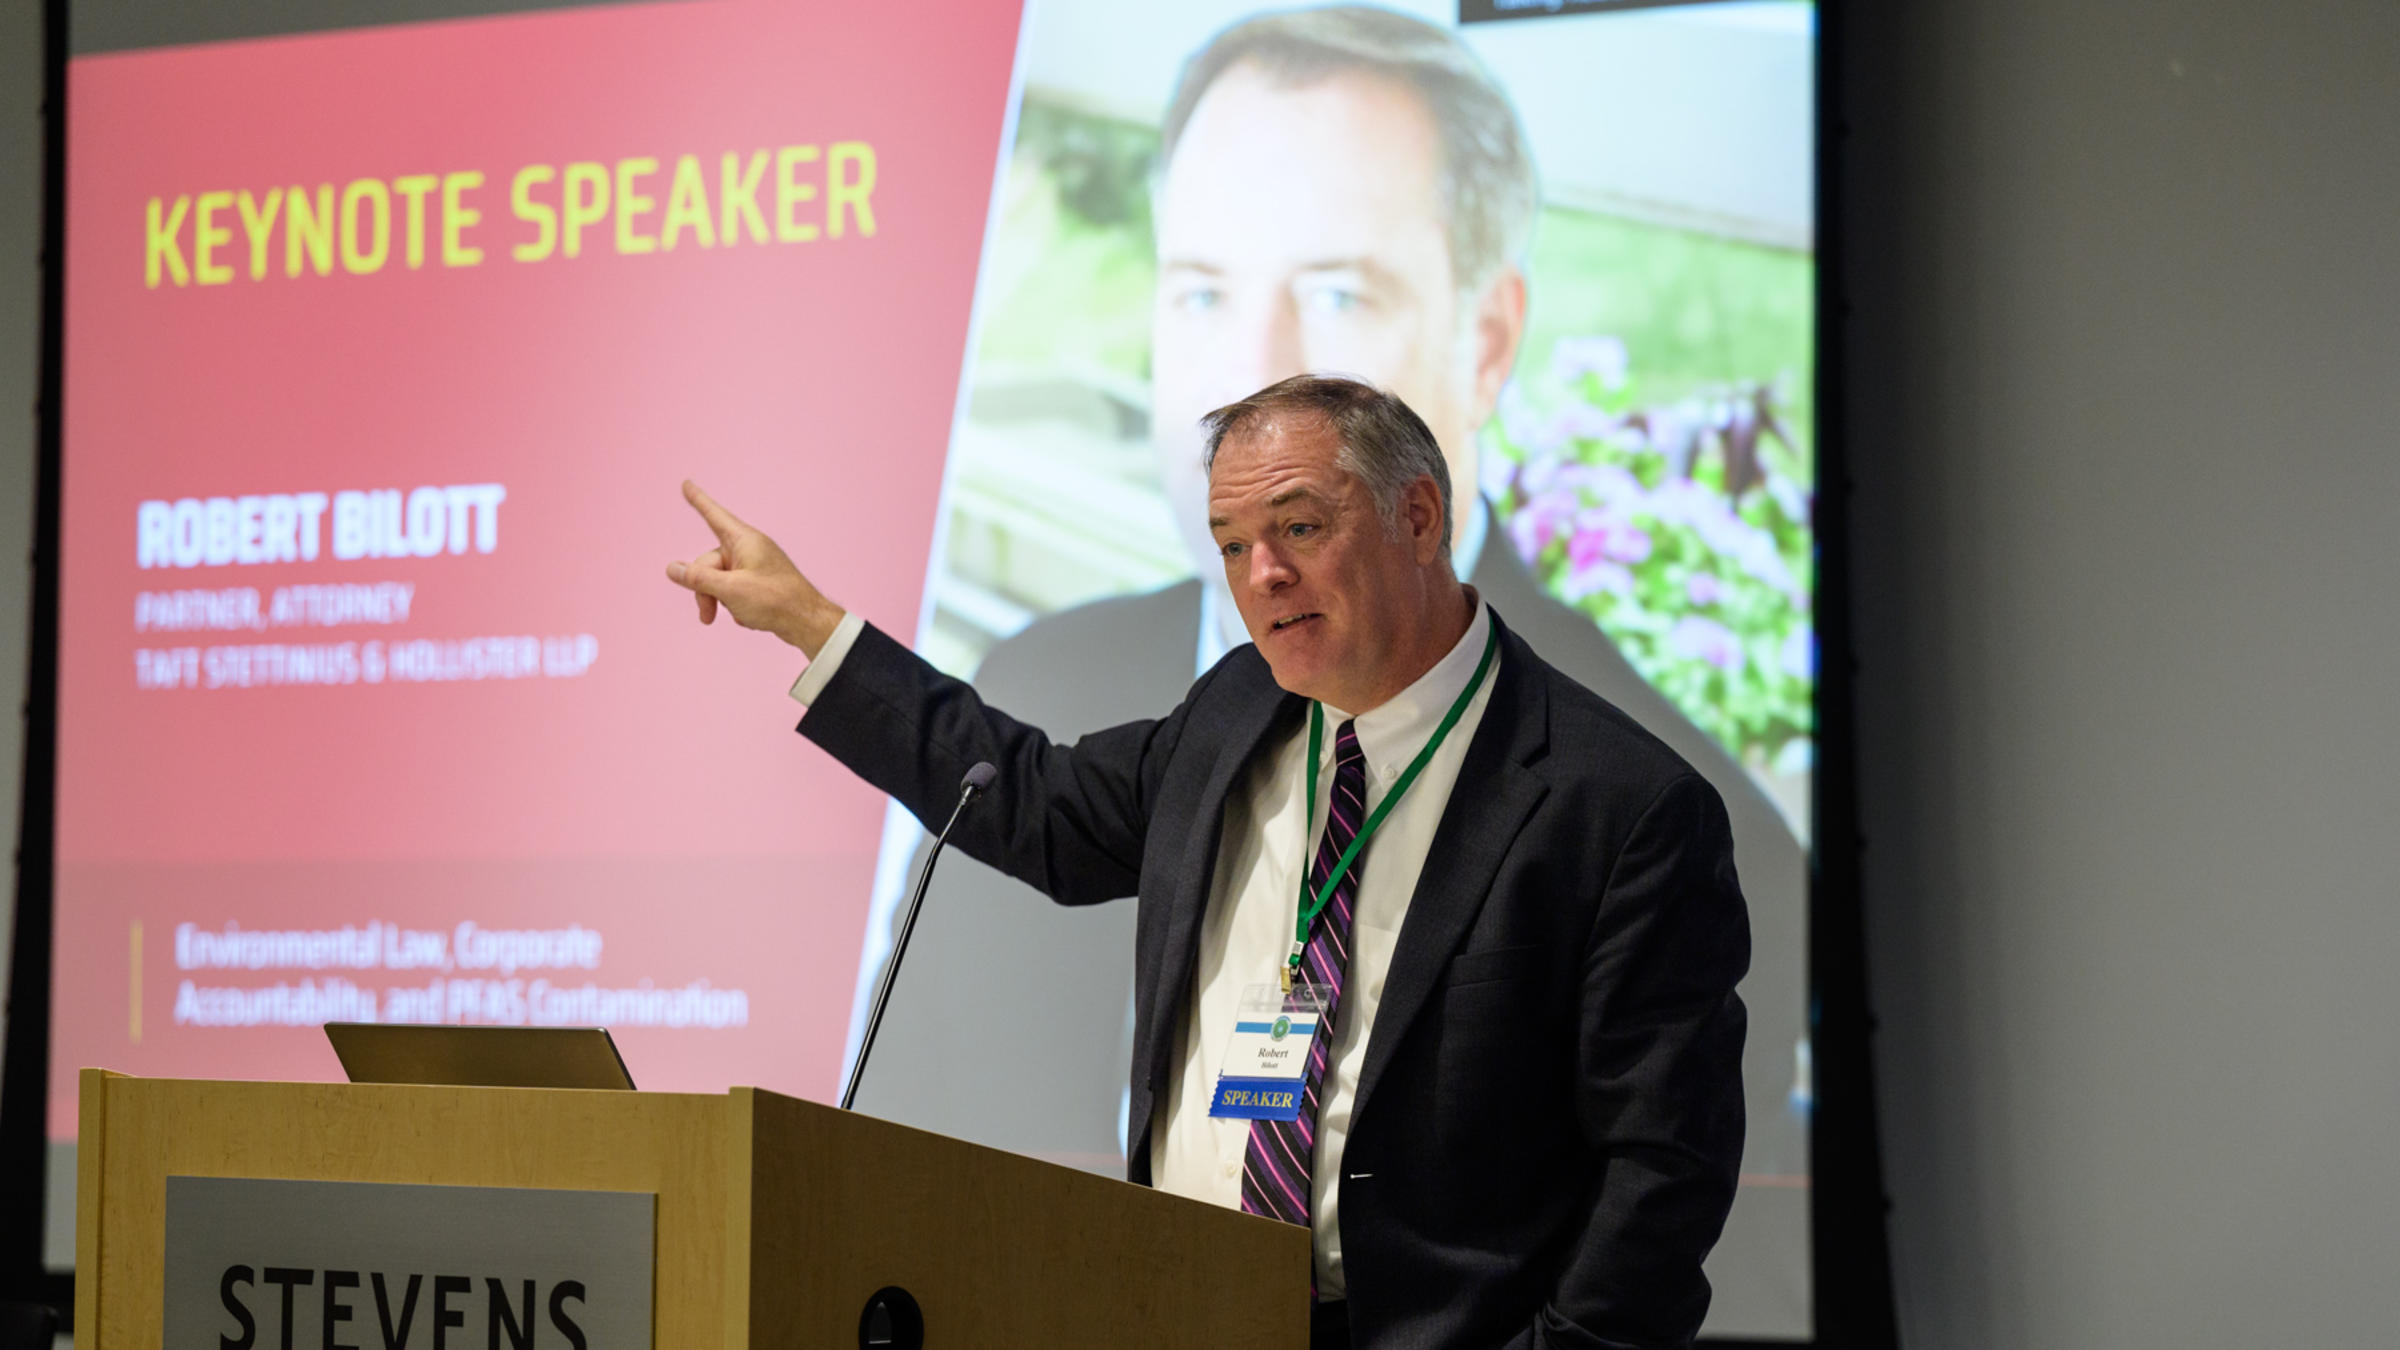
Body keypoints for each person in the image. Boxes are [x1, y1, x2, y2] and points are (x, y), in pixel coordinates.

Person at [863, 4, 1807, 1201]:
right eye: (1203, 293)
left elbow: (1662, 1205)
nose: (1253, 371)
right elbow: (914, 1126)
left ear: (1489, 339)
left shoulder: (1664, 811)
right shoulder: (1044, 677)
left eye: (1341, 297)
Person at [665, 375, 1750, 1348]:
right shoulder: (1237, 711)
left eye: (1300, 526)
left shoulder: (1622, 808)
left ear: (1419, 517)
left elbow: (1662, 1172)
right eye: (1232, 543)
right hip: (1191, 1312)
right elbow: (1030, 799)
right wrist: (812, 626)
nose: (1261, 574)